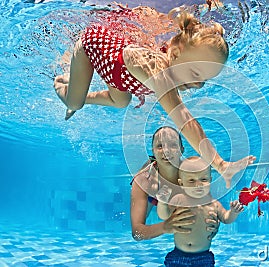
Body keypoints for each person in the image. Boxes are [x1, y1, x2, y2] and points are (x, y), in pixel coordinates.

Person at [54, 5, 255, 188]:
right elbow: (185, 120)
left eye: (204, 80)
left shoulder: (169, 74)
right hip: (91, 46)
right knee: (74, 102)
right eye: (195, 74)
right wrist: (220, 164)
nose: (198, 84)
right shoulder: (157, 70)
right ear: (175, 53)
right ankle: (61, 83)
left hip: (117, 76)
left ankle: (78, 92)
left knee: (122, 101)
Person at [130, 126, 221, 241]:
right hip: (153, 194)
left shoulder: (191, 173)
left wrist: (215, 221)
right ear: (152, 150)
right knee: (143, 217)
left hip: (178, 196)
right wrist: (164, 227)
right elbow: (137, 233)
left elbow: (209, 205)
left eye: (173, 145)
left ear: (181, 150)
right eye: (160, 146)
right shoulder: (144, 180)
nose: (166, 151)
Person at [157, 156, 244, 266]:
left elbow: (226, 218)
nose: (198, 185)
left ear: (210, 180)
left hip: (203, 256)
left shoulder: (213, 204)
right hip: (178, 255)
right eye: (191, 180)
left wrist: (233, 212)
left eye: (203, 179)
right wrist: (162, 203)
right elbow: (164, 216)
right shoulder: (178, 199)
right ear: (181, 183)